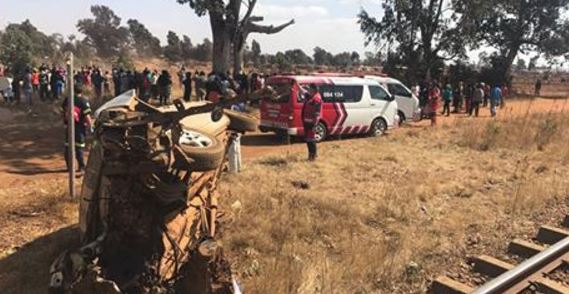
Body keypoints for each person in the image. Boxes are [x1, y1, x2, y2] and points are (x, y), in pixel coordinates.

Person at [61, 87, 93, 175]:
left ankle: (69, 167)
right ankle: (81, 167)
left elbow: (63, 112)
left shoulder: (67, 100)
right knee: (79, 147)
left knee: (68, 146)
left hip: (69, 126)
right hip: (79, 127)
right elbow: (87, 116)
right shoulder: (83, 101)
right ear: (81, 91)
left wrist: (65, 123)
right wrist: (91, 126)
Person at [301, 84, 322, 161]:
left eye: (310, 89)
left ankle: (313, 156)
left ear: (314, 90)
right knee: (308, 139)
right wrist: (296, 84)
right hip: (307, 121)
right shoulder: (310, 96)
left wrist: (315, 125)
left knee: (311, 139)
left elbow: (317, 114)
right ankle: (311, 155)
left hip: (311, 123)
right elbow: (303, 91)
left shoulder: (316, 99)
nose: (308, 90)